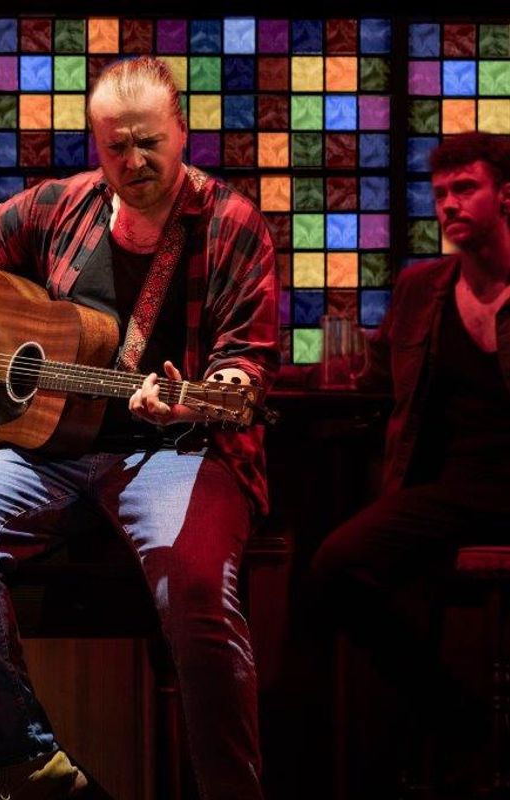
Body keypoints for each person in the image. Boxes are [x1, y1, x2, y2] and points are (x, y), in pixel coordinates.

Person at [0, 56, 278, 800]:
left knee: (198, 588)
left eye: (149, 142)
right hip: (55, 452)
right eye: (116, 147)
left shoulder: (230, 223)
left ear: (182, 133)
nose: (134, 161)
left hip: (180, 452)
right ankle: (31, 760)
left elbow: (244, 364)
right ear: (95, 146)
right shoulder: (61, 205)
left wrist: (201, 397)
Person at [310, 131, 510, 793]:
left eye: (465, 189)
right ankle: (453, 715)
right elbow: (369, 375)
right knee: (335, 566)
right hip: (450, 491)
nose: (448, 205)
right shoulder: (422, 288)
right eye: (441, 193)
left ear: (504, 194)